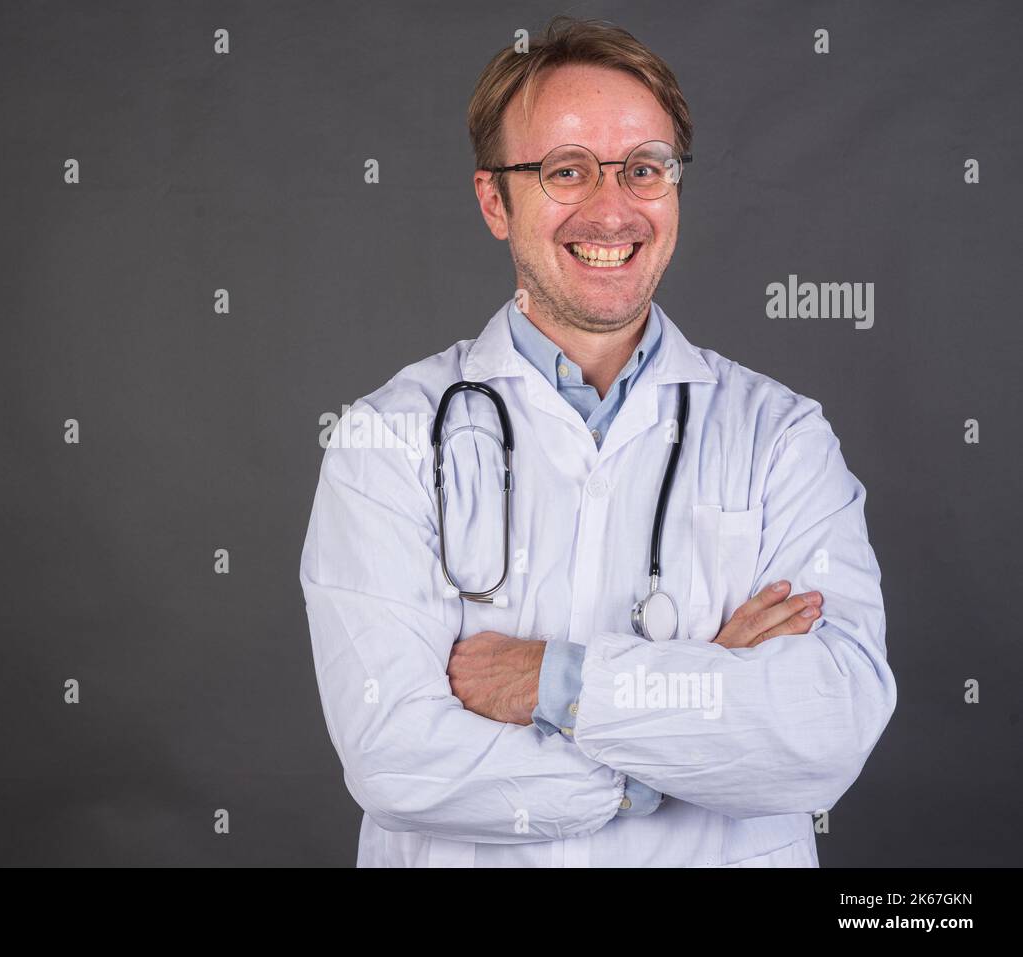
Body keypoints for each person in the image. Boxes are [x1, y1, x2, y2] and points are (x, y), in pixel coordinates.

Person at [299, 16, 896, 867]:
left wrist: (556, 681)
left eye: (644, 169)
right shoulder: (389, 439)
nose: (613, 210)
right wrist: (677, 732)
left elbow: (829, 726)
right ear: (495, 201)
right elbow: (394, 752)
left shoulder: (782, 437)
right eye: (566, 171)